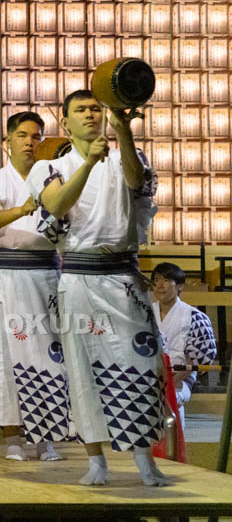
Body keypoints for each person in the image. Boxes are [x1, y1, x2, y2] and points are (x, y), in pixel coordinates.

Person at [29, 89, 166, 486]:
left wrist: (122, 129)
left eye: (96, 108)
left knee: (142, 367)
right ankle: (96, 463)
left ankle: (145, 462)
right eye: (80, 110)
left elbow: (135, 180)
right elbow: (56, 205)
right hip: (78, 279)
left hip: (123, 277)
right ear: (64, 121)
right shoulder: (49, 168)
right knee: (83, 370)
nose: (90, 115)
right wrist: (87, 163)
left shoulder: (128, 156)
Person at [0, 112, 69, 461]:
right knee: (9, 356)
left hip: (48, 273)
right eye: (23, 135)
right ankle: (13, 438)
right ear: (7, 141)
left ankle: (47, 439)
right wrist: (24, 208)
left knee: (51, 357)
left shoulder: (55, 177)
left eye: (37, 136)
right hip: (11, 274)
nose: (31, 142)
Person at [151, 263, 217, 427]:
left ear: (180, 285)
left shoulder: (195, 317)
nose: (160, 285)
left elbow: (200, 358)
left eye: (166, 280)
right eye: (156, 280)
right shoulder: (144, 314)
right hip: (148, 377)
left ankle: (175, 447)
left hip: (179, 379)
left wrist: (169, 382)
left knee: (170, 399)